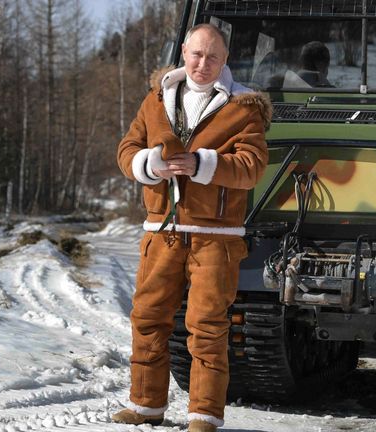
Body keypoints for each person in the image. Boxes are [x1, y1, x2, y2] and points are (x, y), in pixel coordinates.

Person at [114, 23, 271, 432]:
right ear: (184, 51)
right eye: (197, 54)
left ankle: (203, 416)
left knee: (206, 327)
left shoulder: (244, 108)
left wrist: (203, 165)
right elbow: (126, 150)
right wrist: (150, 163)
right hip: (161, 231)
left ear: (225, 60)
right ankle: (145, 406)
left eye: (213, 57)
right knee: (147, 317)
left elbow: (252, 167)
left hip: (215, 238)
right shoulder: (155, 99)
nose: (204, 64)